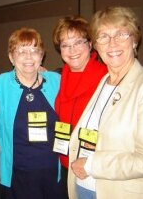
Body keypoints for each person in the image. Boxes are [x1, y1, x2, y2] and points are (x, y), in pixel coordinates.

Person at [69, 6, 143, 199]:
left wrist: (91, 165)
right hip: (86, 186)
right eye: (104, 37)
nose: (112, 43)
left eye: (121, 34)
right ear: (96, 45)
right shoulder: (105, 82)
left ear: (134, 40)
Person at [0, 27, 63, 199]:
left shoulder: (57, 81)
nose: (29, 57)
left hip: (53, 174)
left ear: (42, 56)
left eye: (34, 51)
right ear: (11, 57)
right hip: (16, 176)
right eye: (21, 51)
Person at [52, 16, 107, 198]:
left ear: (90, 44)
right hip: (65, 163)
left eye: (78, 42)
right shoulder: (60, 78)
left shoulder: (106, 77)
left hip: (94, 170)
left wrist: (92, 163)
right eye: (65, 45)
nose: (72, 50)